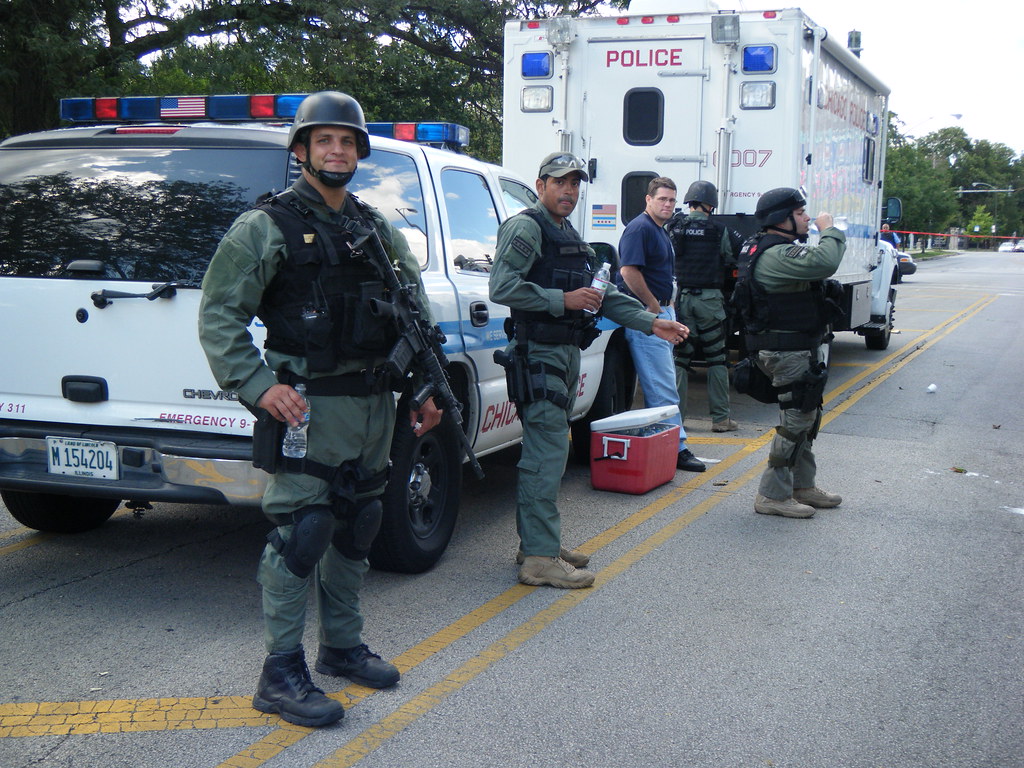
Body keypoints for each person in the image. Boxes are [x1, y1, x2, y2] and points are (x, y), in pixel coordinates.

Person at [198, 91, 442, 727]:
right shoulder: (266, 227)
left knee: (358, 525)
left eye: (347, 142)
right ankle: (280, 672)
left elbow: (413, 317)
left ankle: (340, 646)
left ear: (359, 152)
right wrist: (257, 386)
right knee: (301, 533)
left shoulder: (374, 228)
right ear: (302, 150)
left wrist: (423, 391)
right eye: (324, 141)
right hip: (308, 408)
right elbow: (220, 314)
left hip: (374, 407)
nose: (337, 151)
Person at [489, 152, 692, 589]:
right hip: (538, 352)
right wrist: (561, 301)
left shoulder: (565, 232)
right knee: (545, 457)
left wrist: (651, 322)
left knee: (552, 454)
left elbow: (603, 295)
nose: (570, 191)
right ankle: (539, 559)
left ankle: (538, 543)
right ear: (541, 184)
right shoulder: (526, 226)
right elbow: (502, 286)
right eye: (561, 182)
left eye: (576, 184)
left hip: (563, 353)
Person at [733, 187, 844, 519]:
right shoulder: (775, 254)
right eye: (800, 213)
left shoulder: (773, 248)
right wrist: (830, 229)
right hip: (785, 350)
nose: (807, 217)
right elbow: (826, 261)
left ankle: (802, 485)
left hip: (795, 347)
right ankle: (772, 494)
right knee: (796, 420)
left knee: (808, 415)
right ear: (782, 219)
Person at [616, 177, 705, 473]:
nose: (668, 205)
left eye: (672, 200)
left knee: (664, 384)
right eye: (662, 199)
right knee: (662, 387)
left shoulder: (658, 230)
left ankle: (663, 444)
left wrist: (667, 308)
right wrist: (654, 307)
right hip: (647, 317)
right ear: (648, 199)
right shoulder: (639, 228)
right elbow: (628, 271)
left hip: (662, 312)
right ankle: (677, 449)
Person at [666, 180, 738, 432]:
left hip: (682, 298)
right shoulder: (719, 230)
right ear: (711, 204)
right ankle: (721, 419)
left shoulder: (674, 226)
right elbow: (730, 258)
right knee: (717, 358)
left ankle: (677, 418)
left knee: (681, 359)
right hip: (709, 300)